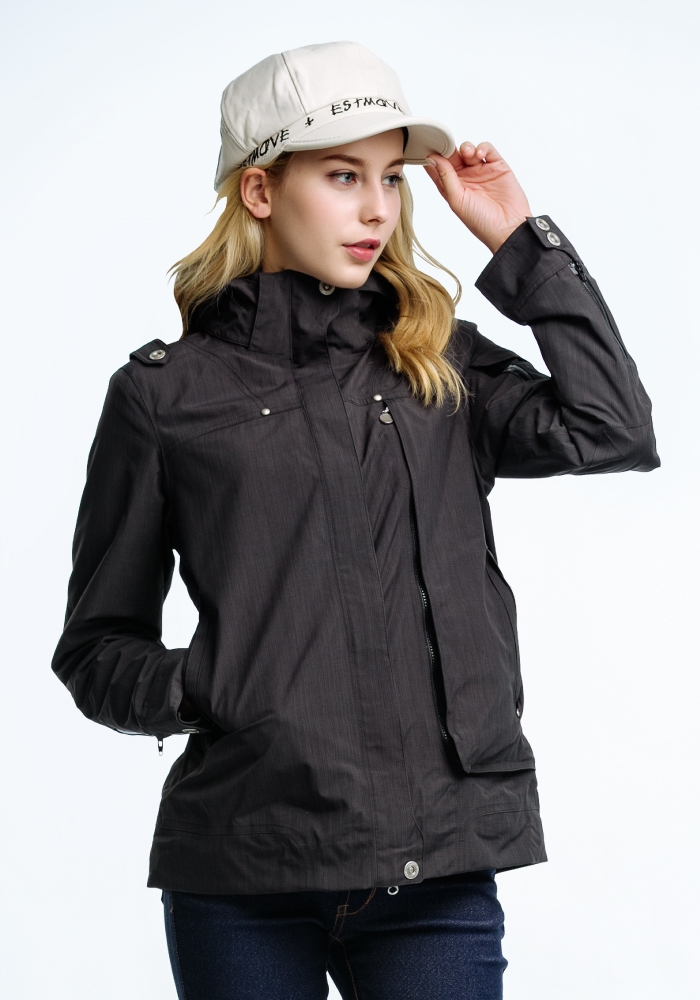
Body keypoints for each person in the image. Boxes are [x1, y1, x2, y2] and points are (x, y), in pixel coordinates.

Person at [52, 41, 659, 1000]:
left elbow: (612, 428)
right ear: (261, 190)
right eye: (343, 176)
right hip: (242, 866)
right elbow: (95, 648)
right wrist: (213, 685)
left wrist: (518, 242)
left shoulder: (440, 366)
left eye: (390, 178)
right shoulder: (164, 398)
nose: (378, 208)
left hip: (437, 866)